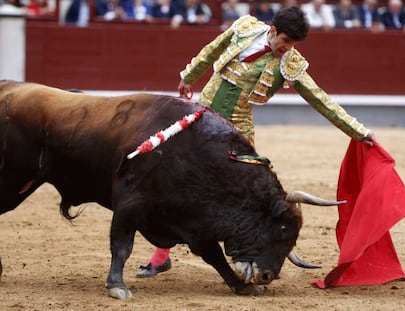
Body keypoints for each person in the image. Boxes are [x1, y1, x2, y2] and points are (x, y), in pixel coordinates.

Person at [137, 7, 377, 277]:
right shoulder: (245, 29)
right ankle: (162, 255)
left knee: (243, 196)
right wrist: (189, 76)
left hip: (237, 133)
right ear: (272, 31)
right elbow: (212, 49)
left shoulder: (290, 63)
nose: (288, 48)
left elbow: (320, 99)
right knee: (174, 180)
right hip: (200, 118)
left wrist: (358, 130)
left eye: (294, 43)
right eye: (286, 41)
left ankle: (253, 252)